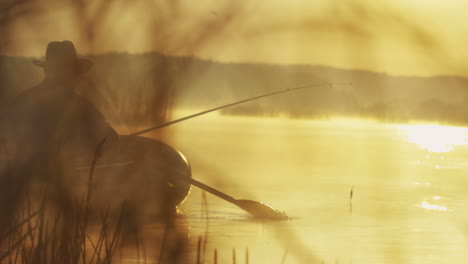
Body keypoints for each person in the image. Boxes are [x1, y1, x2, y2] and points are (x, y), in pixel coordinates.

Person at [0, 41, 118, 231]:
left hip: (20, 190)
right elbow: (110, 140)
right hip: (57, 192)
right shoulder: (80, 106)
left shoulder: (23, 100)